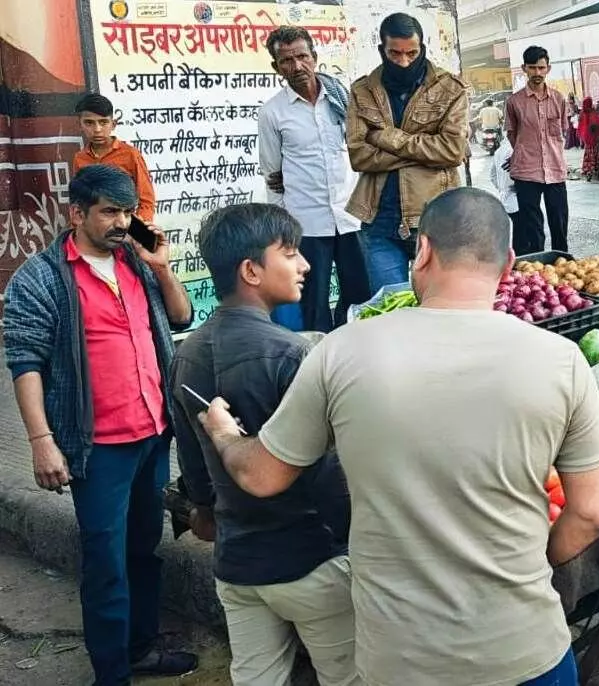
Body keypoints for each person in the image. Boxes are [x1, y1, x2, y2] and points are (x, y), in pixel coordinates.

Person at [197, 187, 599, 684]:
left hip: (400, 659)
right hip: (524, 649)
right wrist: (527, 566)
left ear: (423, 251)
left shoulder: (342, 351)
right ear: (509, 264)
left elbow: (262, 476)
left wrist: (225, 435)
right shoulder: (561, 360)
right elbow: (590, 513)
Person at [2, 164, 197, 683]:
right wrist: (42, 443)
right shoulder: (42, 277)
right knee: (106, 562)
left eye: (128, 212)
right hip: (98, 447)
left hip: (152, 435)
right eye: (109, 212)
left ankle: (142, 648)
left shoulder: (135, 261)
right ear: (76, 214)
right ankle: (112, 674)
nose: (121, 222)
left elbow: (181, 318)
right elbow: (25, 362)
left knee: (142, 551)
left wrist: (161, 267)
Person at [169, 203, 356, 686]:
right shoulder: (291, 353)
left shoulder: (186, 353)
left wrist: (206, 512)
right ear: (251, 270)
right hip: (310, 560)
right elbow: (325, 473)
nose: (306, 265)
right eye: (290, 254)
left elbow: (194, 467)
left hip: (238, 566)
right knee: (348, 676)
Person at [258, 25, 371, 333]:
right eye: (287, 61)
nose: (297, 67)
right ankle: (321, 367)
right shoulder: (272, 113)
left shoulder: (343, 100)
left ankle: (355, 358)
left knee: (360, 296)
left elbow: (362, 151)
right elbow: (273, 174)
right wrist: (282, 231)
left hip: (351, 218)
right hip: (307, 224)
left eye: (302, 57)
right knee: (313, 303)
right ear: (276, 67)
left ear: (314, 57)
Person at [347, 12, 469, 292]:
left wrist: (389, 138)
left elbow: (452, 151)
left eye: (412, 53)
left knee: (440, 303)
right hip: (379, 221)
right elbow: (359, 155)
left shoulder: (451, 89)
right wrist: (425, 147)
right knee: (393, 310)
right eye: (395, 54)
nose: (404, 62)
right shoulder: (362, 91)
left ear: (422, 48)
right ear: (382, 50)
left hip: (435, 217)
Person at [506, 45, 571, 255]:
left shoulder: (559, 99)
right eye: (532, 68)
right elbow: (512, 134)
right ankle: (537, 273)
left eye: (541, 68)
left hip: (555, 170)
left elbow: (563, 131)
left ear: (548, 68)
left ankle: (562, 267)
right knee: (532, 229)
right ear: (524, 68)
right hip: (526, 172)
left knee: (559, 223)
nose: (537, 73)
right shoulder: (514, 102)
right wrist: (524, 152)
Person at [71, 93, 156, 223]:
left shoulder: (130, 155)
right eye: (89, 123)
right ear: (79, 125)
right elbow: (79, 199)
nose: (97, 129)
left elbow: (147, 201)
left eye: (103, 122)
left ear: (113, 124)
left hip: (123, 228)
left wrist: (137, 232)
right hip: (94, 232)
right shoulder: (80, 158)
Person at [579, 96, 599, 181]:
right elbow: (597, 124)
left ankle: (588, 171)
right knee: (594, 153)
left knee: (589, 154)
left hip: (588, 138)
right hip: (593, 138)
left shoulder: (583, 112)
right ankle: (594, 170)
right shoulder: (592, 112)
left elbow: (581, 126)